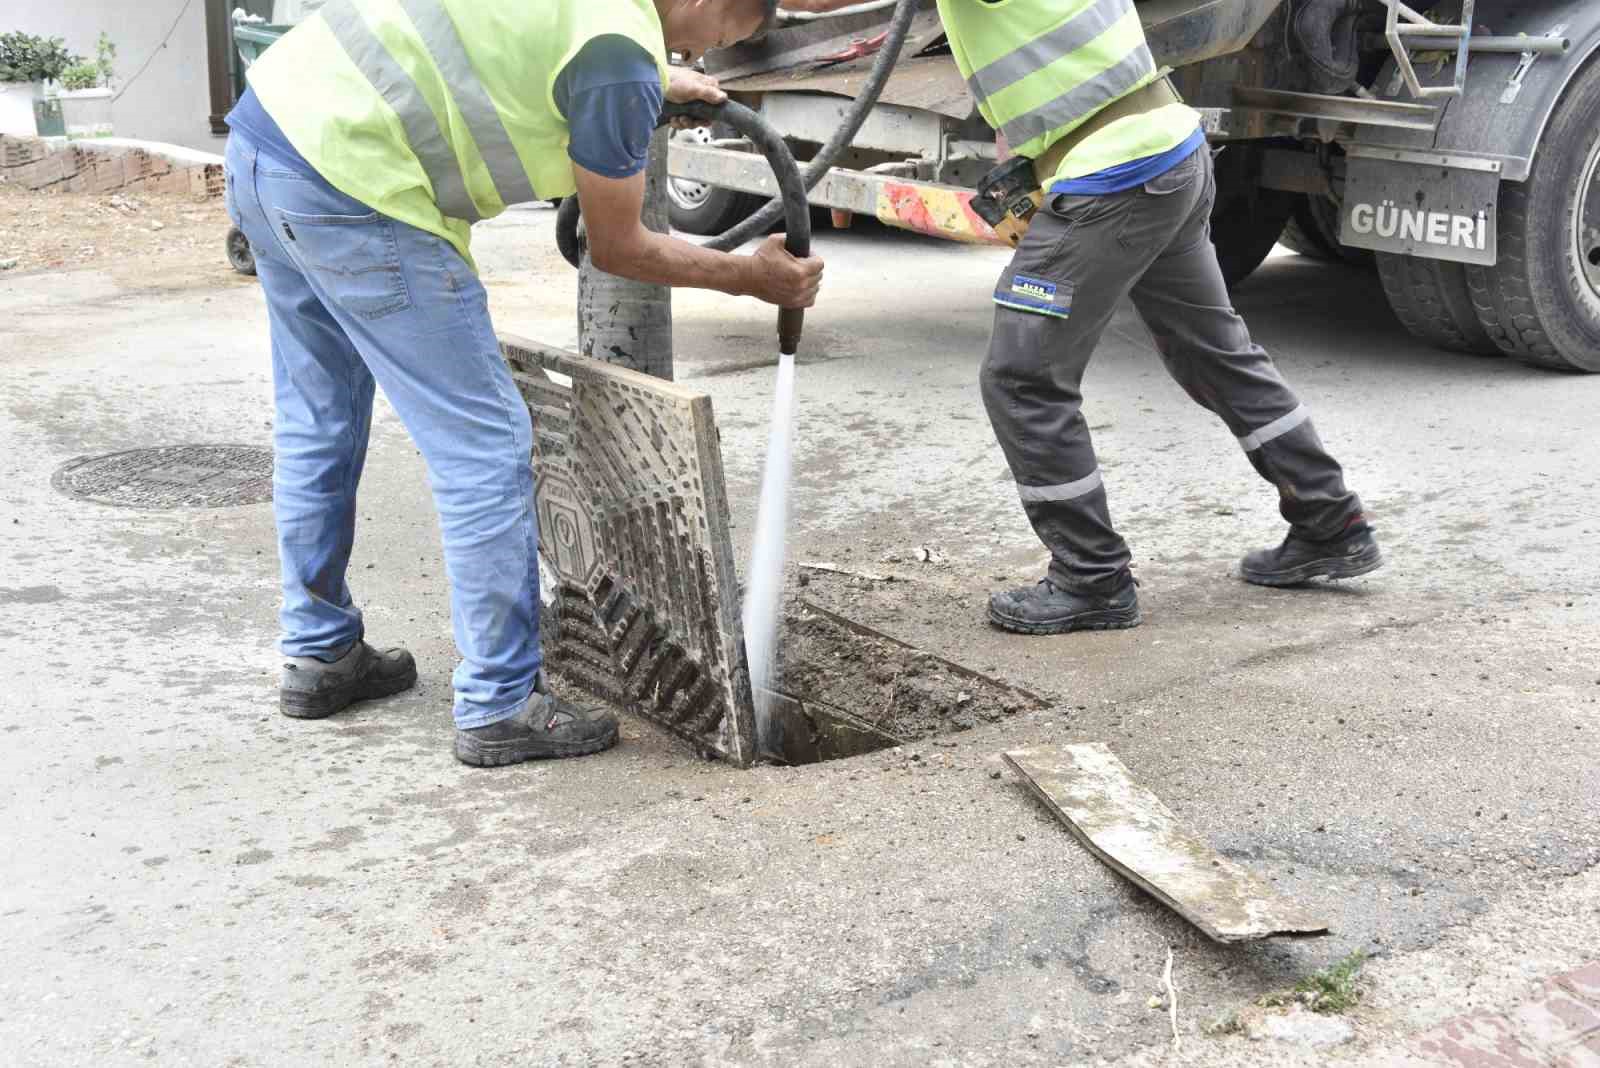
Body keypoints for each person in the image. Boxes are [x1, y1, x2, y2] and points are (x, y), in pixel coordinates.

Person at [224, 0, 822, 767]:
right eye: (720, 38)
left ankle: (318, 652)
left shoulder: (605, 29)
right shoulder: (615, 56)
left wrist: (649, 79)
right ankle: (500, 702)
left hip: (268, 141)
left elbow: (530, 47)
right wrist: (750, 278)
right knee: (486, 447)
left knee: (321, 419)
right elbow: (618, 245)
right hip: (357, 187)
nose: (703, 53)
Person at [784, 0, 1380, 633]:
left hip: (1115, 176)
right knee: (1215, 353)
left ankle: (1091, 578)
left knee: (1021, 378)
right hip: (1167, 151)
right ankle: (1331, 520)